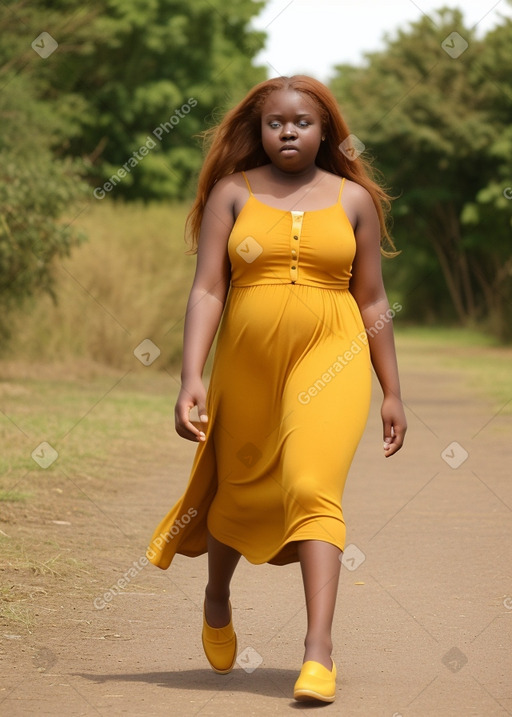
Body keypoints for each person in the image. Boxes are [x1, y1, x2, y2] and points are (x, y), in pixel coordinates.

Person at [146, 74, 407, 704]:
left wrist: (392, 391)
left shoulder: (353, 202)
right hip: (247, 364)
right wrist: (190, 377)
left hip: (332, 355)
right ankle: (216, 597)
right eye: (275, 122)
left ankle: (319, 653)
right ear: (258, 130)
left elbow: (371, 299)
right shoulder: (232, 195)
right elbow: (209, 288)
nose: (288, 131)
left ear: (326, 133)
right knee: (238, 487)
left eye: (303, 122)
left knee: (311, 485)